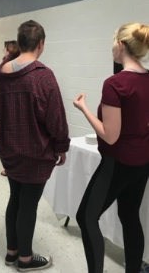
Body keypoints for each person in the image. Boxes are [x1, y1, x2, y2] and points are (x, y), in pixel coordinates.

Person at [0, 20, 70, 271]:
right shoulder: (43, 76)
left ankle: (11, 251)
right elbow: (56, 118)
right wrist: (61, 146)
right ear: (41, 45)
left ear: (20, 42)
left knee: (16, 198)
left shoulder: (2, 73)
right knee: (29, 204)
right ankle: (25, 258)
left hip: (10, 152)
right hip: (37, 154)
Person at [73, 23, 149, 273]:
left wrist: (83, 108)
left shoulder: (115, 84)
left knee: (86, 217)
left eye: (113, 41)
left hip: (118, 162)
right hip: (142, 162)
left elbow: (110, 135)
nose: (111, 47)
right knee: (129, 216)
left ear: (122, 45)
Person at [0, 40, 20, 176]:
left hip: (9, 109)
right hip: (14, 108)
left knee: (9, 140)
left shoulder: (6, 64)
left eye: (6, 49)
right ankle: (12, 168)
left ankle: (10, 168)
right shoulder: (16, 63)